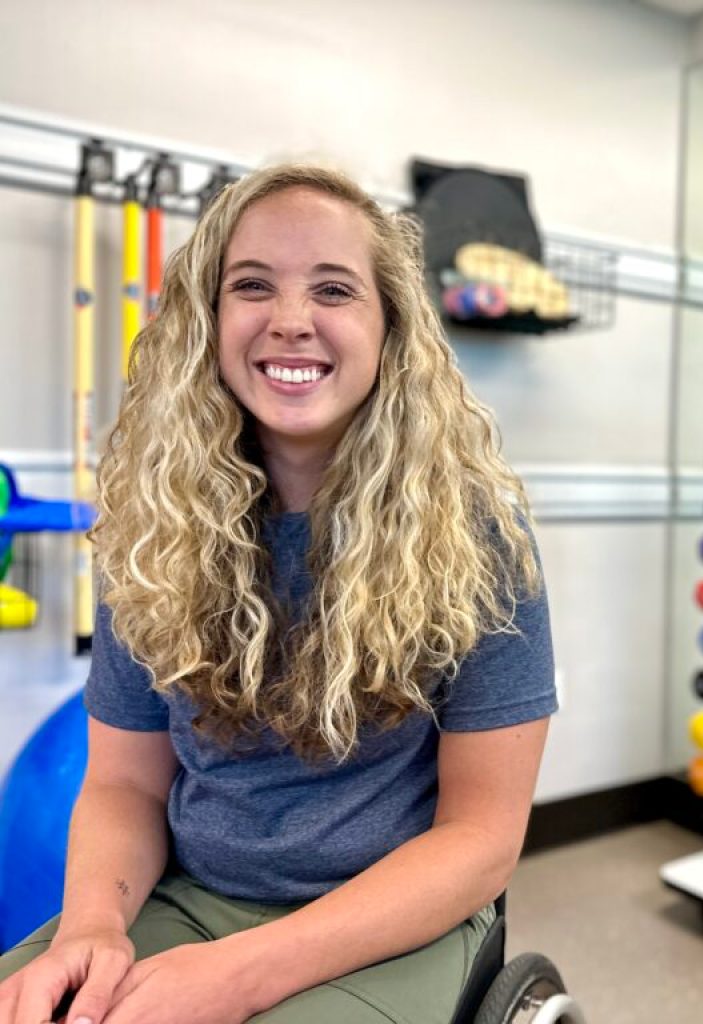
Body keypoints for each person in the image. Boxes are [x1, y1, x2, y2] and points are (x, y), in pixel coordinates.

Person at [0, 163, 556, 1024]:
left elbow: (481, 841)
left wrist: (240, 974)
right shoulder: (154, 529)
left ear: (390, 330)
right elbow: (124, 788)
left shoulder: (478, 539)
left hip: (390, 920)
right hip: (189, 894)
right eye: (252, 286)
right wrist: (91, 929)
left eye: (334, 289)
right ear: (209, 322)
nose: (291, 321)